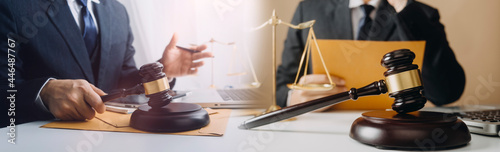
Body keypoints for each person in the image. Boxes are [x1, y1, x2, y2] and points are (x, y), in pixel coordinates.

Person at [0, 0, 212, 127]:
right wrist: (43, 93)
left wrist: (161, 72)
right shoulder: (11, 6)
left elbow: (122, 79)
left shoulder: (118, 11)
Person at [276, 0, 466, 110]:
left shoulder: (420, 14)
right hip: (324, 129)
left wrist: (402, 6)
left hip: (393, 128)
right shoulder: (309, 10)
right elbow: (281, 87)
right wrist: (294, 98)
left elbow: (446, 93)